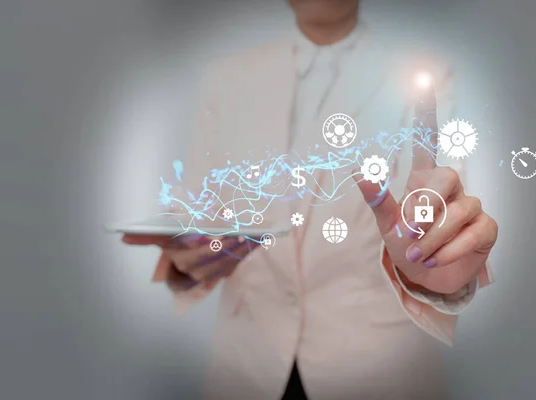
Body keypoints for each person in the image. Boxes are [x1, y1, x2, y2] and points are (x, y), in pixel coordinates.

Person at [123, 0, 497, 398]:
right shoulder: (226, 78)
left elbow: (447, 216)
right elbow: (196, 213)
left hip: (377, 368)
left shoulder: (424, 77)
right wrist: (187, 261)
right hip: (248, 365)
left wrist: (438, 268)